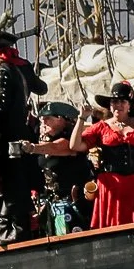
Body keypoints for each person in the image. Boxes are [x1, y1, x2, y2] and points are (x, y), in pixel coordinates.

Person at [0, 29, 46, 245]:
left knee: (10, 183)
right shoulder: (22, 66)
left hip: (4, 136)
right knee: (19, 183)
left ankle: (18, 232)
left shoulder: (1, 71)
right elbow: (41, 88)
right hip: (21, 133)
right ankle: (20, 229)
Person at [81, 82, 134, 228]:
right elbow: (74, 145)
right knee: (111, 228)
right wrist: (81, 118)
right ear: (110, 105)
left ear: (129, 105)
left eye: (122, 101)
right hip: (110, 184)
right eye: (114, 101)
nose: (118, 105)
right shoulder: (102, 126)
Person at [24, 100, 93, 235]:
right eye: (42, 119)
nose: (43, 121)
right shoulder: (44, 141)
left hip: (74, 203)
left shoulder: (71, 140)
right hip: (53, 204)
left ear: (61, 120)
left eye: (48, 118)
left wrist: (32, 148)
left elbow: (58, 147)